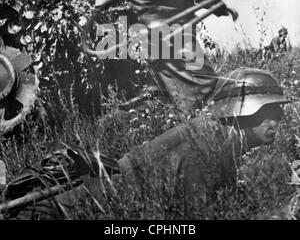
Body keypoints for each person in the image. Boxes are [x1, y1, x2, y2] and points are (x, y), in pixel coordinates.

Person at [2, 67, 290, 219]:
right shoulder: (204, 149)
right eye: (268, 111)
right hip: (60, 213)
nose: (276, 120)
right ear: (242, 110)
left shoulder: (216, 139)